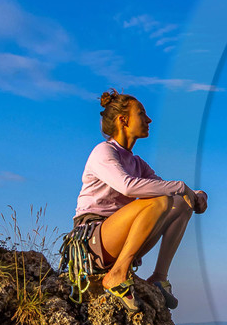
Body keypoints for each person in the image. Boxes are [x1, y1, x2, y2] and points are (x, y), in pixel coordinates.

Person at [73, 89, 207, 310]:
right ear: (123, 120)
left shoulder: (137, 163)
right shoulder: (103, 152)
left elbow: (171, 193)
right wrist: (181, 187)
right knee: (162, 200)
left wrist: (196, 196)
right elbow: (127, 186)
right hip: (92, 240)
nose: (149, 119)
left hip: (118, 238)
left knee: (180, 203)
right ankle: (117, 274)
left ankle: (158, 277)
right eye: (142, 113)